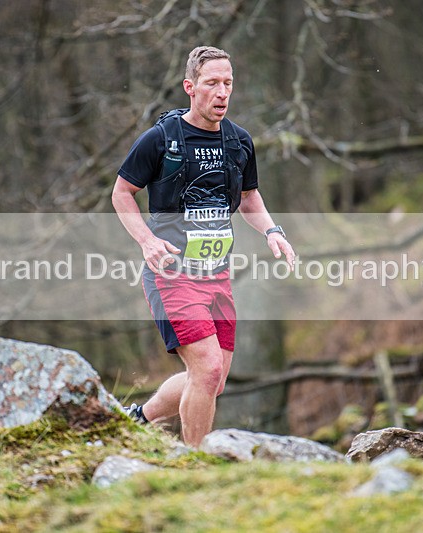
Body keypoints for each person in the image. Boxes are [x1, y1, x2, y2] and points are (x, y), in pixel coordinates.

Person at [112, 45, 295, 447]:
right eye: (212, 83)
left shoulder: (239, 142)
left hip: (217, 276)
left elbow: (249, 199)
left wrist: (273, 231)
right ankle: (195, 464)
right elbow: (122, 193)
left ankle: (139, 417)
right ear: (190, 88)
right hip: (172, 274)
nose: (222, 92)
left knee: (215, 379)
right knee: (208, 370)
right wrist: (147, 240)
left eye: (228, 83)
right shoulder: (160, 139)